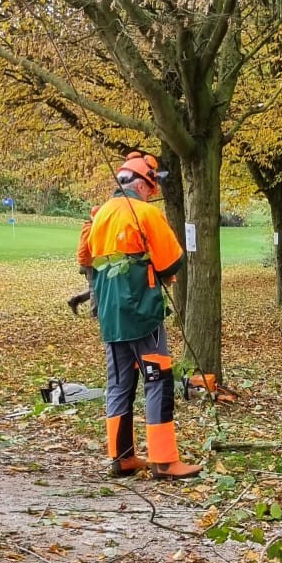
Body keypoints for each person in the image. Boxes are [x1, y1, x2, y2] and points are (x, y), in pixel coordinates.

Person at [88, 152, 201, 481]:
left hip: (111, 317)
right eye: (151, 187)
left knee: (119, 385)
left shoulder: (100, 216)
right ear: (139, 183)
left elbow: (90, 259)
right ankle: (164, 462)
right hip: (143, 314)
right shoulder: (146, 214)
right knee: (158, 381)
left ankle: (120, 458)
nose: (152, 193)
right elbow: (171, 264)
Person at [67, 206, 100, 317]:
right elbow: (84, 248)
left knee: (98, 286)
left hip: (93, 262)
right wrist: (85, 263)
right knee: (95, 288)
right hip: (90, 263)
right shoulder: (90, 228)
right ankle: (95, 314)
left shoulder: (93, 227)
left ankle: (76, 300)